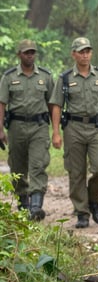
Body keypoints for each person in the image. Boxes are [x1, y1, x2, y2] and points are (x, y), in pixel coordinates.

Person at [51, 37, 98, 229]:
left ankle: (93, 199)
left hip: (97, 128)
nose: (85, 54)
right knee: (76, 172)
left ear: (91, 53)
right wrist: (55, 133)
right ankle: (82, 212)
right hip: (73, 128)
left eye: (87, 51)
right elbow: (56, 105)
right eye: (81, 51)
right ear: (74, 54)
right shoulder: (65, 78)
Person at [0, 39, 54, 220]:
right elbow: (2, 104)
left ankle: (36, 207)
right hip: (16, 127)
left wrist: (55, 129)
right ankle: (24, 203)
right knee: (17, 167)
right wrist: (0, 130)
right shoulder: (9, 77)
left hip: (39, 126)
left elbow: (52, 103)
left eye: (32, 52)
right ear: (19, 55)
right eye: (26, 52)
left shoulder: (45, 76)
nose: (30, 55)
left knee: (38, 165)